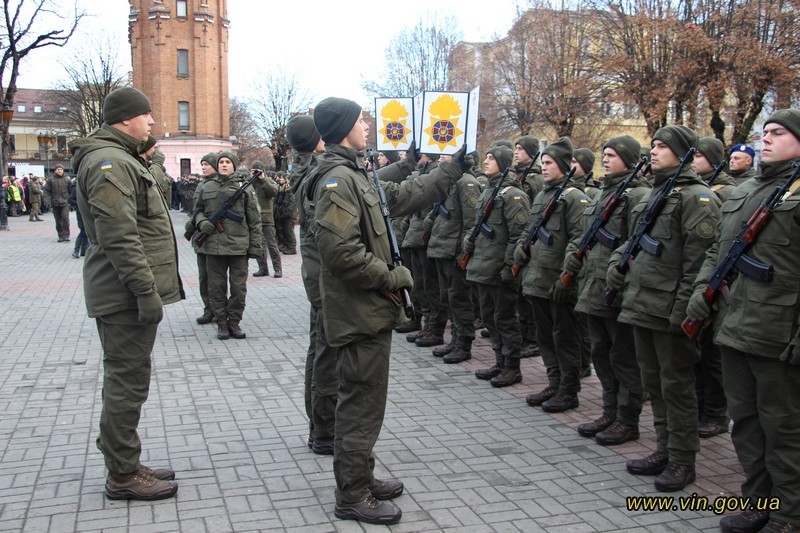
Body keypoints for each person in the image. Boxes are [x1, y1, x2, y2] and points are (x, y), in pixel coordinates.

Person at [310, 96, 467, 525]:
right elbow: (339, 253)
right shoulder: (337, 181)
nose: (367, 125)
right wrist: (392, 277)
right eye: (361, 119)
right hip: (359, 310)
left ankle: (362, 477)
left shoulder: (357, 173)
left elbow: (403, 195)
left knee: (366, 402)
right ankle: (352, 495)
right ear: (345, 127)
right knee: (360, 403)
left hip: (369, 310)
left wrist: (448, 168)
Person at [688, 109, 800, 533]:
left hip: (779, 332)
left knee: (784, 428)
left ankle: (790, 515)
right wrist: (703, 291)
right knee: (746, 425)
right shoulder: (745, 190)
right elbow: (717, 252)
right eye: (764, 132)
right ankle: (759, 502)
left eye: (779, 133)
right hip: (735, 325)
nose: (766, 139)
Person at [69, 86, 183, 500]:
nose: (152, 122)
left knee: (129, 379)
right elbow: (119, 236)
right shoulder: (108, 163)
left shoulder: (120, 157)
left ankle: (126, 460)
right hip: (122, 294)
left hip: (124, 292)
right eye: (146, 115)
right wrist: (144, 290)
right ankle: (122, 473)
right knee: (126, 382)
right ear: (124, 119)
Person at [606, 125, 721, 492]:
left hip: (670, 310)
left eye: (661, 146)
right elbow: (635, 242)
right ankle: (664, 450)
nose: (653, 151)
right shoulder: (657, 192)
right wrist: (618, 262)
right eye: (652, 145)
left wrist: (684, 314)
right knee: (654, 384)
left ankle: (683, 461)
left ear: (683, 152)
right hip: (642, 303)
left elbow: (698, 262)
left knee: (677, 388)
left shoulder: (696, 198)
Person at [562, 135, 650, 443]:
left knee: (623, 358)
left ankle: (628, 419)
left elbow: (635, 246)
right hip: (593, 285)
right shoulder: (603, 193)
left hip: (617, 289)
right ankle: (610, 411)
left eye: (613, 154)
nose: (607, 159)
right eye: (605, 154)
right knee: (601, 354)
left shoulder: (639, 195)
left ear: (629, 159)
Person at [515, 137, 588, 411]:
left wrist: (566, 275)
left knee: (564, 338)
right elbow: (530, 230)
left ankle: (568, 390)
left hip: (557, 281)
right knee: (545, 337)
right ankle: (554, 382)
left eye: (549, 163)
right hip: (537, 278)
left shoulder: (574, 198)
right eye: (543, 163)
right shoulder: (545, 195)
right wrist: (520, 251)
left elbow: (579, 240)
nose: (544, 168)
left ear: (563, 165)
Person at [285, 115, 335, 455]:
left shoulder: (304, 166)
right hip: (323, 277)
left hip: (318, 275)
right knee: (325, 356)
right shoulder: (314, 171)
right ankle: (323, 430)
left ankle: (321, 427)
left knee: (320, 352)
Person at [467, 144, 531, 388]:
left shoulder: (514, 195)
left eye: (492, 158)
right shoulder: (487, 191)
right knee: (489, 318)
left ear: (503, 164)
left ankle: (512, 367)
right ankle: (499, 360)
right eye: (487, 157)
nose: (486, 161)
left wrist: (508, 267)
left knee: (504, 318)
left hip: (499, 270)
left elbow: (518, 235)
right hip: (483, 267)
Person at [690, 136, 736, 438]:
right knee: (696, 356)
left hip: (718, 285)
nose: (692, 161)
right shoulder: (694, 190)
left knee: (712, 356)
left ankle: (716, 414)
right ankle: (700, 408)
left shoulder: (727, 192)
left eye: (698, 156)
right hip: (698, 282)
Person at [192, 152, 262, 340]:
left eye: (227, 162)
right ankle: (222, 323)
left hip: (239, 246)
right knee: (216, 288)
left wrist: (255, 247)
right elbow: (197, 212)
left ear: (234, 165)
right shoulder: (207, 186)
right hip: (213, 246)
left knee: (238, 289)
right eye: (221, 162)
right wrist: (201, 223)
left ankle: (234, 322)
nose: (223, 165)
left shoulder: (244, 188)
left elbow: (254, 220)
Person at [424, 152, 481, 363]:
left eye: (446, 153)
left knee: (459, 299)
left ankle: (463, 343)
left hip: (454, 251)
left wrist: (463, 252)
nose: (439, 158)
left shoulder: (467, 182)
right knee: (448, 297)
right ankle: (456, 340)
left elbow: (471, 221)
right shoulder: (450, 180)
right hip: (441, 248)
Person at [186, 153, 219, 325]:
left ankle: (220, 309)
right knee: (203, 277)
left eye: (207, 164)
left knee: (217, 279)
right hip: (201, 236)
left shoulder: (222, 184)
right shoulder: (200, 185)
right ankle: (209, 309)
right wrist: (195, 223)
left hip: (216, 238)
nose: (203, 167)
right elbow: (197, 210)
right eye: (202, 164)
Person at [252, 161, 282, 278]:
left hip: (267, 219)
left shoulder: (269, 182)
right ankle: (263, 268)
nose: (256, 174)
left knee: (272, 245)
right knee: (259, 246)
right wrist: (251, 178)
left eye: (258, 171)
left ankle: (278, 269)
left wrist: (263, 179)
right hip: (255, 219)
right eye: (254, 171)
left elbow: (274, 191)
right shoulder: (251, 184)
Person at [43, 164, 71, 241]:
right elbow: (46, 191)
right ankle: (61, 235)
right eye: (58, 169)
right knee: (58, 221)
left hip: (65, 202)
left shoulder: (67, 179)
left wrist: (72, 201)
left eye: (61, 169)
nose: (59, 170)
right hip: (55, 203)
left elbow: (71, 191)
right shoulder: (51, 180)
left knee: (65, 218)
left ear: (63, 170)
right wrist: (47, 201)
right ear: (55, 170)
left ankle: (66, 235)